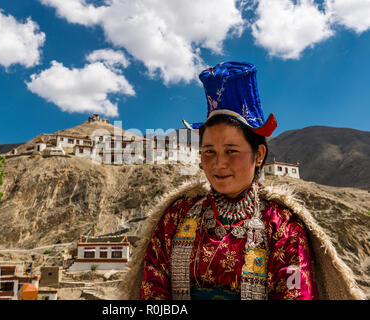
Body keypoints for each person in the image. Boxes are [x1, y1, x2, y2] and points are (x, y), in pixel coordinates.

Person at [119, 62, 365, 300]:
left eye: (231, 151)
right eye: (209, 152)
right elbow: (153, 290)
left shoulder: (282, 226)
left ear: (258, 155)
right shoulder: (175, 217)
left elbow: (295, 292)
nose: (219, 163)